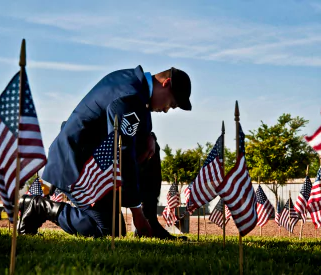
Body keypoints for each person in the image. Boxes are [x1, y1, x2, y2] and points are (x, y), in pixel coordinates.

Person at [17, 66, 191, 239]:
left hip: (96, 160)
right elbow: (122, 153)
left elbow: (133, 133)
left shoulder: (137, 86)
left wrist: (150, 137)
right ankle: (38, 207)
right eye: (172, 103)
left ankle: (151, 223)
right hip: (76, 163)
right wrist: (137, 213)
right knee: (109, 230)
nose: (167, 109)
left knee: (151, 147)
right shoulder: (130, 95)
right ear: (166, 83)